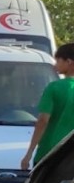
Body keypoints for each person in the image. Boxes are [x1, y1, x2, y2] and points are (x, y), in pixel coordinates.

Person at [21, 42, 74, 170]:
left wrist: (29, 153)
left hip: (50, 152)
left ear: (69, 61)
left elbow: (43, 120)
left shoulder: (54, 88)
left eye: (58, 61)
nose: (55, 65)